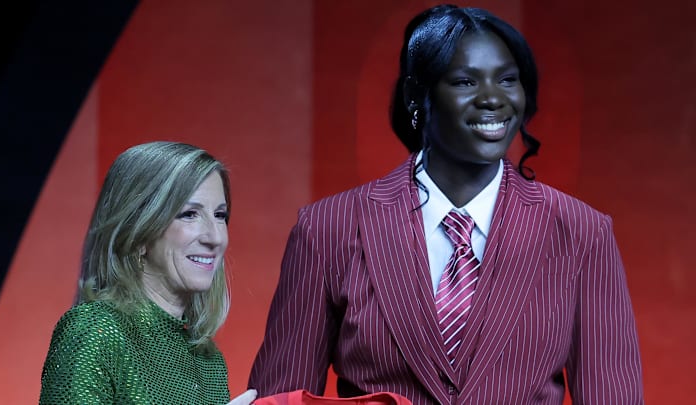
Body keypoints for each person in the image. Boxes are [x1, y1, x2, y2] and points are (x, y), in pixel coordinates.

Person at [249, 4, 643, 405]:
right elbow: (281, 397)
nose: (493, 99)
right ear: (416, 96)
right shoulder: (327, 228)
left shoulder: (583, 232)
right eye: (465, 82)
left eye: (508, 80)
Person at [40, 141, 256, 404]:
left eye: (220, 215)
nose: (215, 237)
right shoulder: (96, 331)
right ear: (138, 233)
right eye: (189, 214)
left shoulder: (208, 359)